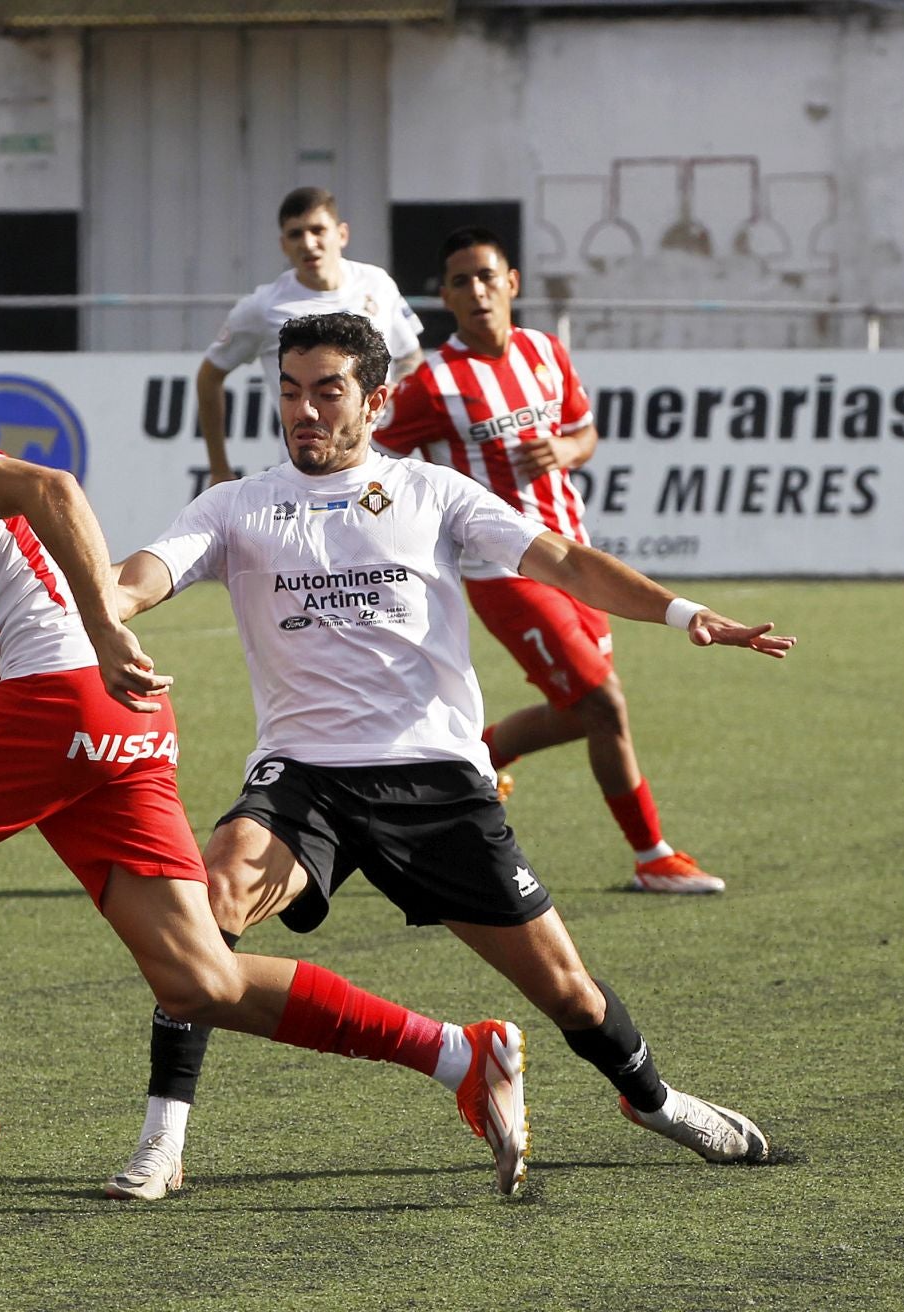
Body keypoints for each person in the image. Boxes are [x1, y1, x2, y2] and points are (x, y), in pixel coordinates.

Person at [0, 309, 531, 1196]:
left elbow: (51, 488)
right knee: (199, 979)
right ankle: (460, 1056)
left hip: (56, 695)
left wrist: (101, 626)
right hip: (112, 721)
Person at [103, 310, 790, 1200]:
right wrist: (93, 611)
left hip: (437, 781)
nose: (303, 411)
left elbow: (567, 563)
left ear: (377, 401)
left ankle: (654, 1102)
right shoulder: (238, 503)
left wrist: (681, 612)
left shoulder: (434, 493)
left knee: (573, 996)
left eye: (327, 390)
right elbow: (140, 576)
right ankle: (164, 1141)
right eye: (288, 391)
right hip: (302, 780)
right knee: (201, 917)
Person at [377, 226, 721, 893]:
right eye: (461, 281)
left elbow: (582, 430)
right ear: (446, 297)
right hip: (504, 573)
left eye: (486, 275)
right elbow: (378, 458)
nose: (476, 290)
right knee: (605, 705)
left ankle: (478, 752)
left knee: (580, 711)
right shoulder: (433, 383)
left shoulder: (544, 351)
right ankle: (654, 857)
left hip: (575, 558)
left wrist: (567, 452)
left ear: (512, 283)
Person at [197, 185, 425, 485]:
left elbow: (410, 353)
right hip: (311, 471)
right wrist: (218, 469)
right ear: (283, 244)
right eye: (296, 234)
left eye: (318, 230)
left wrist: (400, 384)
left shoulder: (377, 282)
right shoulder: (262, 307)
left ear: (341, 234)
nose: (308, 243)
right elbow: (209, 376)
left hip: (387, 464)